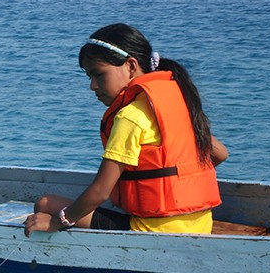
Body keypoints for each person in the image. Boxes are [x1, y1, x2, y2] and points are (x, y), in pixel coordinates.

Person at [24, 23, 228, 237]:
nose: (92, 86)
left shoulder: (129, 116)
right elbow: (220, 153)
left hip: (152, 230)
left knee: (46, 204)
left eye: (99, 75)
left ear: (131, 66)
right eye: (89, 77)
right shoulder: (174, 104)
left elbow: (100, 191)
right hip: (200, 224)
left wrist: (59, 221)